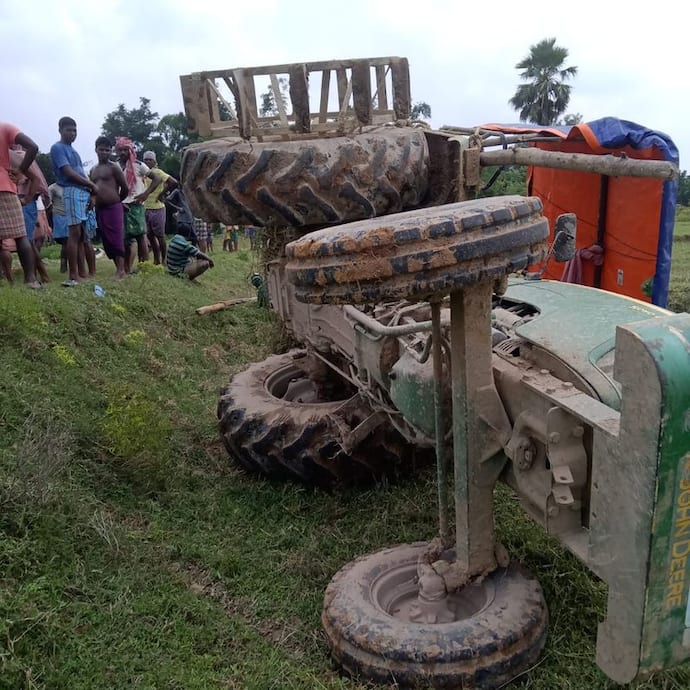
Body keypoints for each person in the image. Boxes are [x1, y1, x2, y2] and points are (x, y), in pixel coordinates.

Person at [49, 116, 98, 287]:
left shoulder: (74, 151)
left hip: (83, 192)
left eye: (75, 130)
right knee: (74, 233)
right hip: (71, 190)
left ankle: (83, 274)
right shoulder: (57, 148)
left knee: (84, 234)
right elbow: (69, 173)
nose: (73, 133)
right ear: (61, 130)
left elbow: (81, 174)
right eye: (69, 130)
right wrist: (92, 185)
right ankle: (74, 275)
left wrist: (92, 192)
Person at [0, 121, 41, 288]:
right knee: (20, 236)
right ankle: (30, 280)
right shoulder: (5, 128)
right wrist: (21, 170)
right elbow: (32, 146)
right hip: (5, 187)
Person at [114, 137, 163, 273]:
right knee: (124, 238)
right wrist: (118, 202)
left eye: (126, 149)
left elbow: (157, 178)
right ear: (117, 151)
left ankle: (144, 266)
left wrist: (146, 194)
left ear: (130, 150)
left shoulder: (139, 165)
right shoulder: (114, 166)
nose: (123, 152)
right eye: (121, 150)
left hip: (136, 204)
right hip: (121, 205)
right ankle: (127, 268)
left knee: (141, 235)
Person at [89, 136, 129, 279]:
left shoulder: (114, 167)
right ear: (96, 150)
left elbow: (125, 188)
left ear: (111, 151)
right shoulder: (93, 170)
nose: (104, 152)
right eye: (102, 150)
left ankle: (121, 270)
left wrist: (118, 201)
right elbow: (92, 190)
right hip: (100, 209)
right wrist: (93, 199)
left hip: (113, 207)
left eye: (107, 150)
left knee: (116, 238)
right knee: (106, 240)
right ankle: (118, 269)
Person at [13, 148, 50, 283]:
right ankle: (35, 274)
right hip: (19, 199)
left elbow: (36, 180)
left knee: (26, 240)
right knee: (25, 240)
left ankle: (40, 275)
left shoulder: (20, 156)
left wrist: (27, 199)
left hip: (24, 200)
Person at [142, 150, 177, 265]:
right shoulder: (143, 173)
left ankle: (164, 259)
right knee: (150, 236)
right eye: (145, 159)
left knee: (160, 236)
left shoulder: (158, 172)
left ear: (154, 161)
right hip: (145, 208)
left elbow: (173, 182)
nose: (147, 161)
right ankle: (156, 259)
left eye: (150, 159)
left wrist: (161, 194)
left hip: (157, 208)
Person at [48, 182, 69, 272]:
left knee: (72, 241)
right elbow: (48, 204)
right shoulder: (52, 188)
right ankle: (63, 265)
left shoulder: (70, 185)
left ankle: (72, 265)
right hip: (59, 216)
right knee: (65, 241)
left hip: (72, 215)